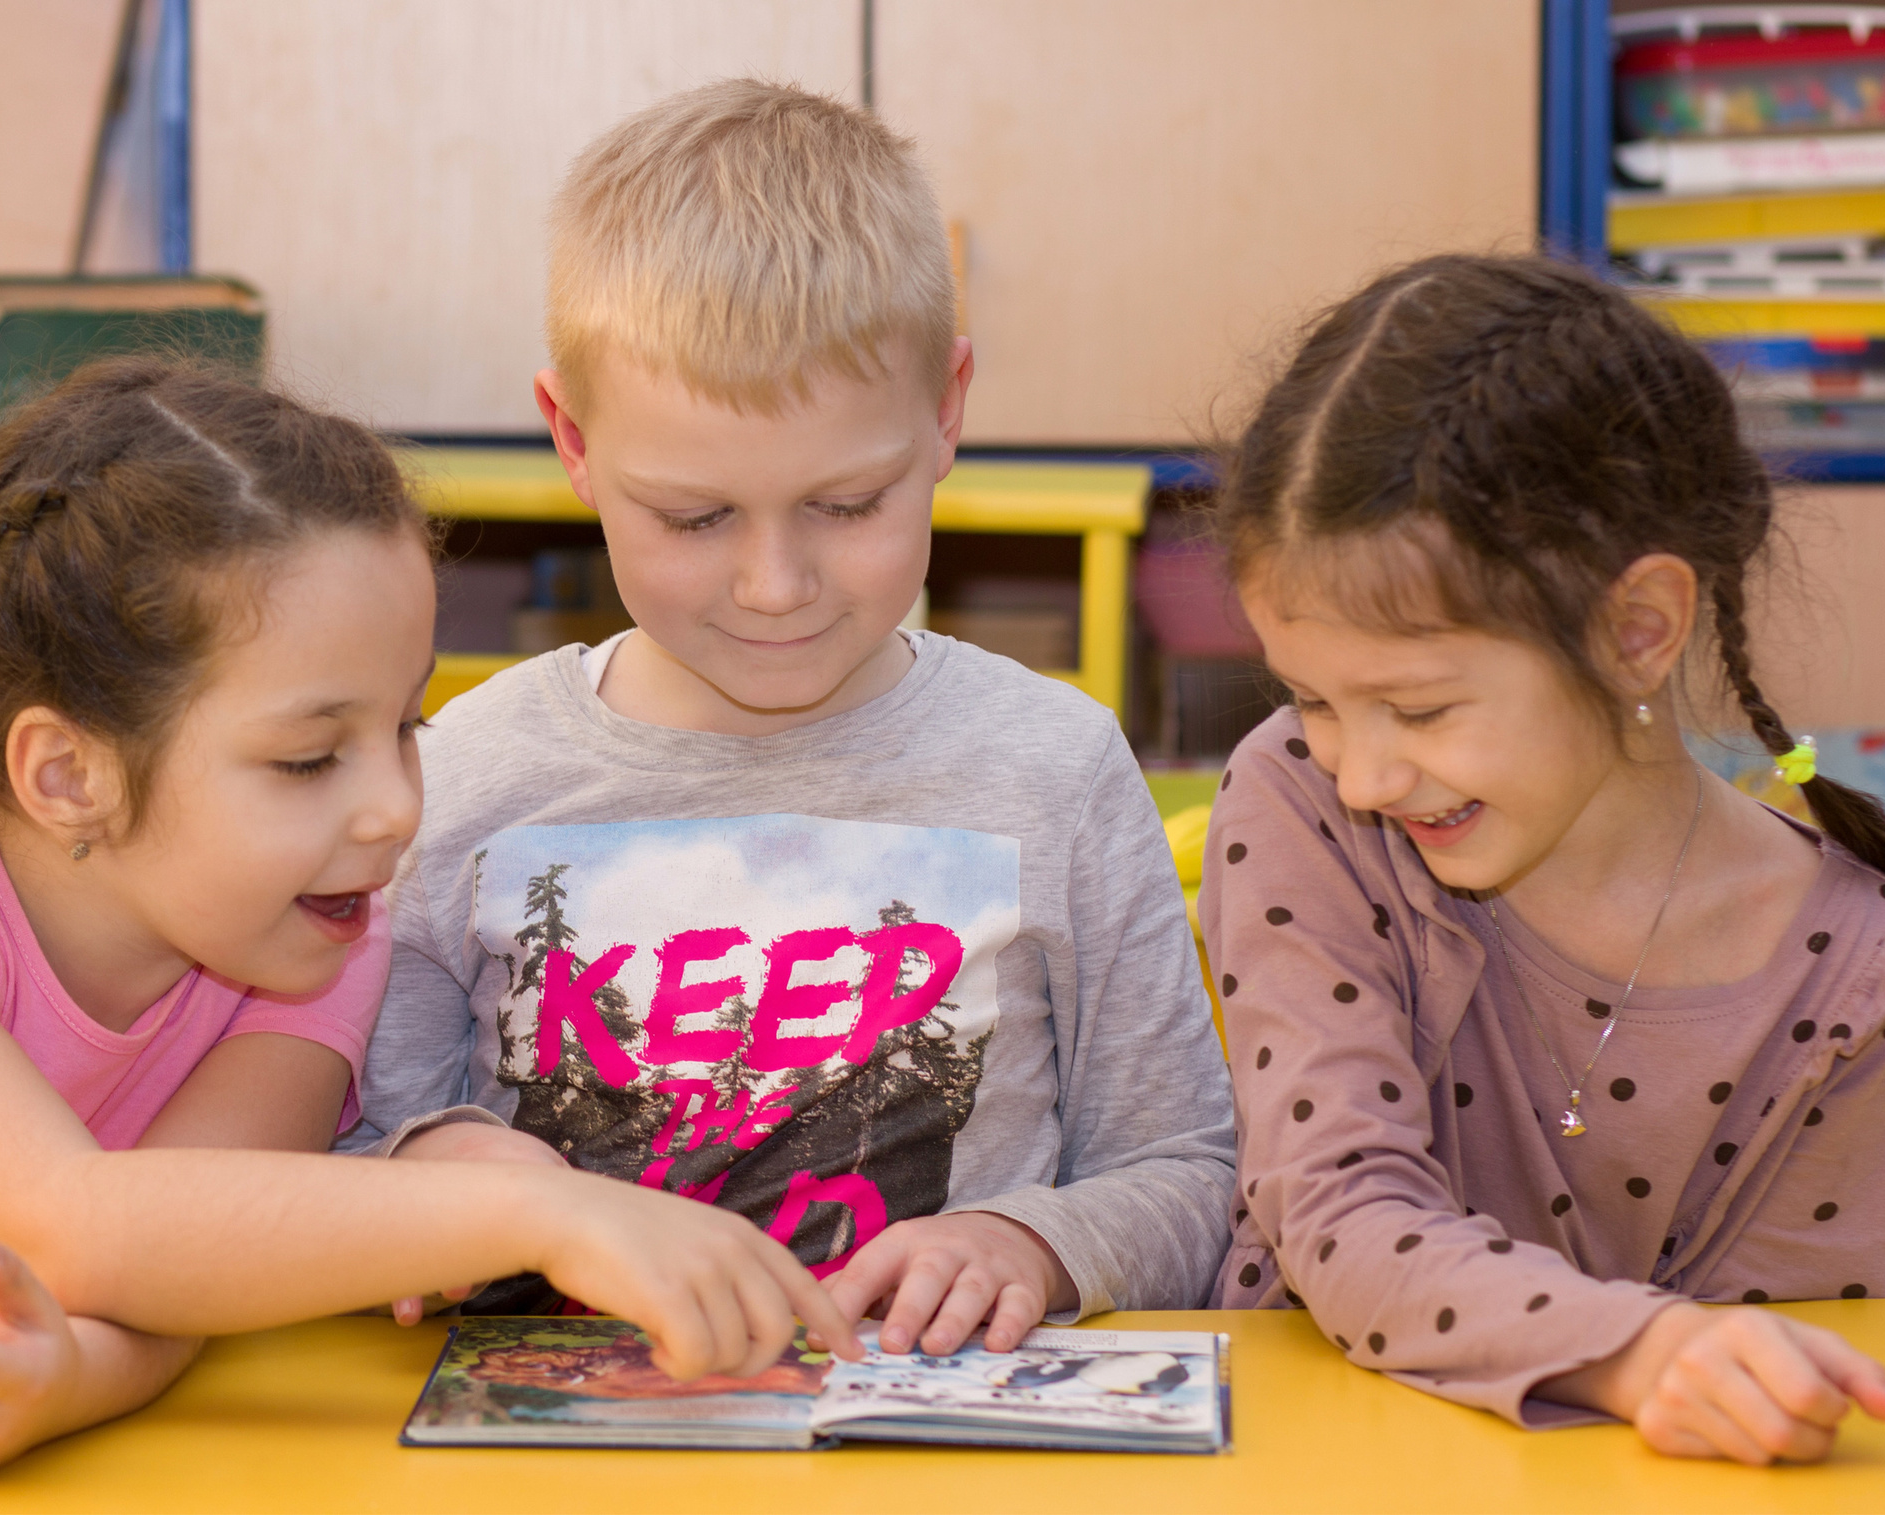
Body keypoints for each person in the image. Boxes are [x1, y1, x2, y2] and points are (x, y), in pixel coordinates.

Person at [0, 361, 856, 1480]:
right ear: (67, 772)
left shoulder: (315, 935)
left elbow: (186, 1273)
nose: (393, 808)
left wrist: (68, 1380)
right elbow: (70, 1225)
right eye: (308, 759)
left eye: (404, 725)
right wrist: (542, 1214)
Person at [348, 79, 1237, 1357]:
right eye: (694, 516)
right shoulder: (457, 779)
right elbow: (343, 1163)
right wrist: (433, 1172)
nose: (774, 586)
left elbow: (1188, 1172)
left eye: (846, 504)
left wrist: (1036, 1243)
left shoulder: (1057, 766)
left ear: (946, 411)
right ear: (572, 438)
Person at [1201, 253, 1885, 1463]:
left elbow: (1770, 1369)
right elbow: (1339, 1210)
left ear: (1636, 632)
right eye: (1316, 698)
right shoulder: (1303, 801)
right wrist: (1641, 1352)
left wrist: (1712, 1382)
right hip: (1301, 1459)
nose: (1363, 773)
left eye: (1420, 708)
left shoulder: (1867, 967)